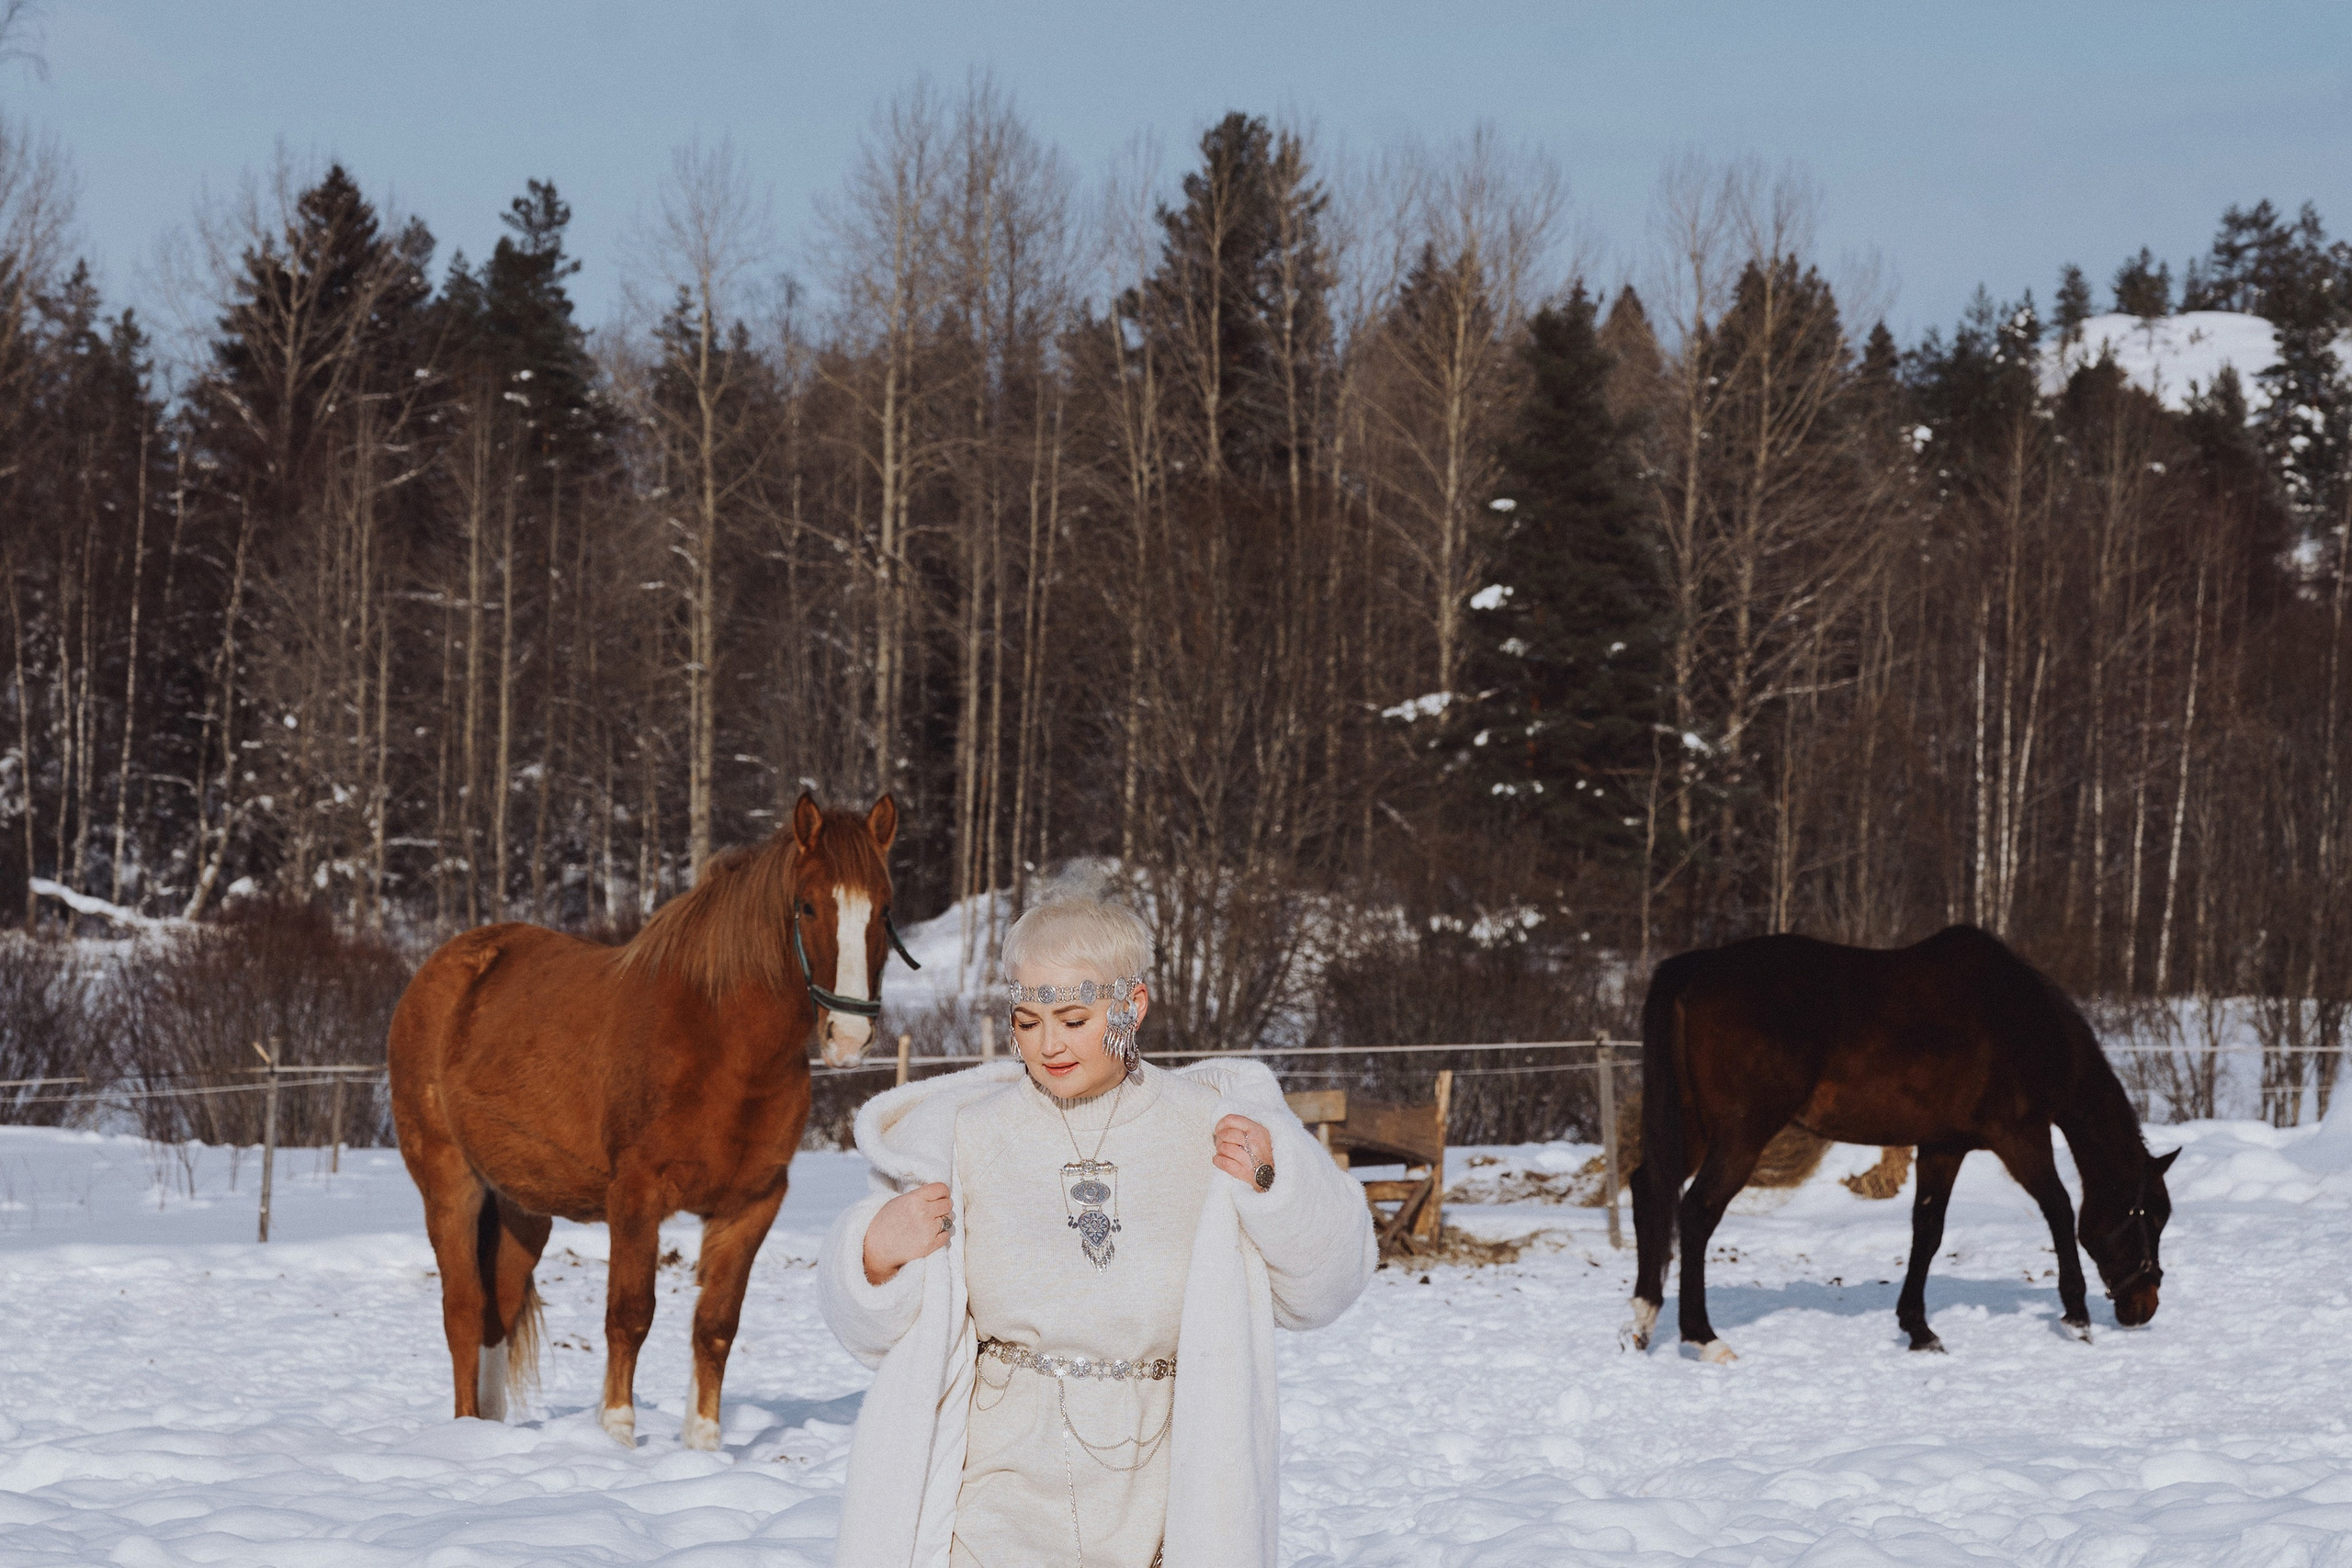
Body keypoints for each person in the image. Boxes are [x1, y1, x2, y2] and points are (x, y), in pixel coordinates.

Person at [819, 897, 1376, 1568]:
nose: (1048, 1044)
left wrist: (1275, 1183)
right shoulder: (961, 1136)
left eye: (1074, 1019)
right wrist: (876, 1253)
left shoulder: (1212, 1125)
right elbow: (869, 1332)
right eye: (1028, 1020)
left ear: (1131, 1006)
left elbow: (1328, 1287)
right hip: (996, 1490)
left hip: (1166, 1491)